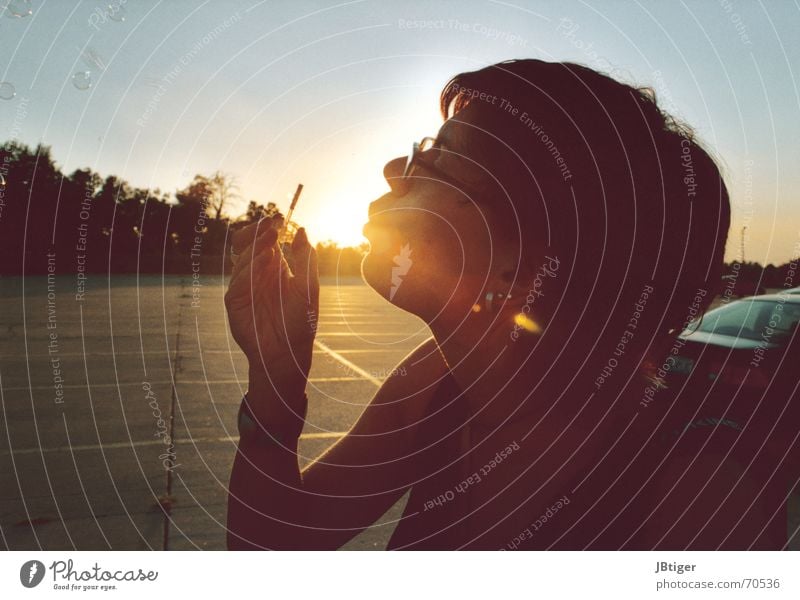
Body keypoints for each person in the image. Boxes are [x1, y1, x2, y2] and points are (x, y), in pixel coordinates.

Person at [224, 59, 796, 550]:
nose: (394, 170)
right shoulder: (428, 386)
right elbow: (277, 543)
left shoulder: (701, 491)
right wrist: (276, 391)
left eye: (436, 158)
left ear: (527, 250)